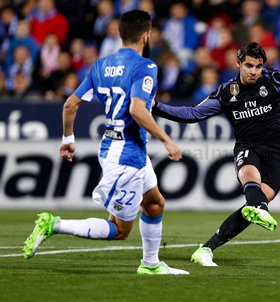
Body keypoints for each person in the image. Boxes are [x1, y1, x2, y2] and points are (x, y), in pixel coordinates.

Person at [23, 9, 188, 276]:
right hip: (126, 156)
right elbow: (137, 109)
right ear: (146, 36)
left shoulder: (100, 65)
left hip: (117, 146)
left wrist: (68, 139)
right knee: (120, 230)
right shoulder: (145, 66)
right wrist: (167, 140)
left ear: (121, 35)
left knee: (155, 203)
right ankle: (53, 224)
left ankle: (151, 264)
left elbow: (70, 104)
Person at [152, 42, 280, 266]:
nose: (254, 71)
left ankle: (206, 249)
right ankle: (259, 208)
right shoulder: (226, 92)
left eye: (258, 66)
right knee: (250, 178)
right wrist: (155, 106)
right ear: (238, 63)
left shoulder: (274, 79)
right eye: (249, 65)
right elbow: (192, 113)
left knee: (254, 205)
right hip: (247, 145)